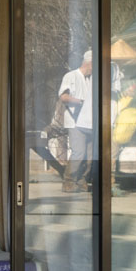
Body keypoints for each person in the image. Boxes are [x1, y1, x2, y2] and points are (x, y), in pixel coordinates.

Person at [58, 50, 93, 190]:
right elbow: (63, 97)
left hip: (90, 122)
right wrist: (80, 102)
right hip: (75, 121)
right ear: (89, 63)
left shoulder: (90, 79)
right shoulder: (71, 76)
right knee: (78, 151)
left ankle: (81, 180)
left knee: (90, 155)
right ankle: (69, 181)